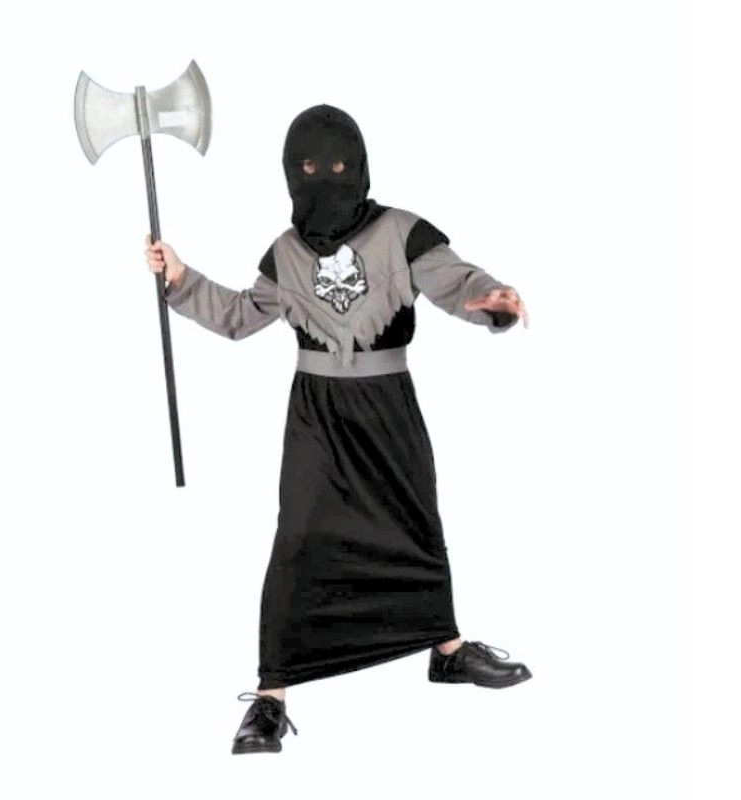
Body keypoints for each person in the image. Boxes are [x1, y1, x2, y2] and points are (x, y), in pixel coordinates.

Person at [144, 104, 532, 755]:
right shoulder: (285, 254)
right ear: (289, 175)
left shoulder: (402, 233)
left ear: (361, 167)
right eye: (309, 167)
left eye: (337, 165)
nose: (325, 177)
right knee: (299, 539)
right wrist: (181, 278)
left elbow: (456, 280)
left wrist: (493, 299)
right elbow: (239, 316)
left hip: (388, 405)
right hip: (316, 415)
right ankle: (271, 697)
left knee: (414, 521)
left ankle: (447, 650)